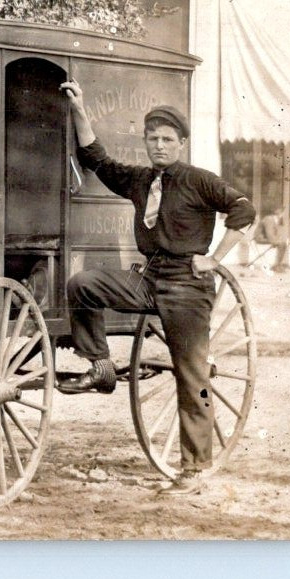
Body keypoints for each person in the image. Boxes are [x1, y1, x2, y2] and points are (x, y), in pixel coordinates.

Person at [57, 80, 255, 497]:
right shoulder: (140, 180)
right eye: (153, 138)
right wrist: (78, 108)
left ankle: (197, 467)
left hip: (187, 286)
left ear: (181, 143)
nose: (159, 145)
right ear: (146, 141)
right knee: (83, 284)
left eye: (167, 139)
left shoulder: (200, 181)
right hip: (148, 279)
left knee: (191, 374)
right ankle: (99, 364)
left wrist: (215, 258)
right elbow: (96, 157)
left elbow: (244, 209)